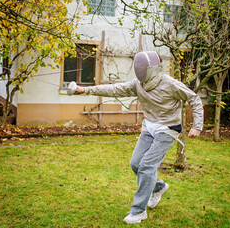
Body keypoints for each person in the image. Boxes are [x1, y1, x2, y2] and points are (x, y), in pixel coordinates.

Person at [74, 51, 204, 224]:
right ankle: (158, 187)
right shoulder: (138, 84)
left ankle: (138, 211)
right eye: (138, 66)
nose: (140, 69)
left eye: (143, 66)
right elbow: (114, 89)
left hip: (168, 128)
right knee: (136, 164)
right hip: (149, 125)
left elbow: (194, 99)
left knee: (147, 166)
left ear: (154, 69)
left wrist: (197, 126)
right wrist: (84, 90)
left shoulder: (170, 84)